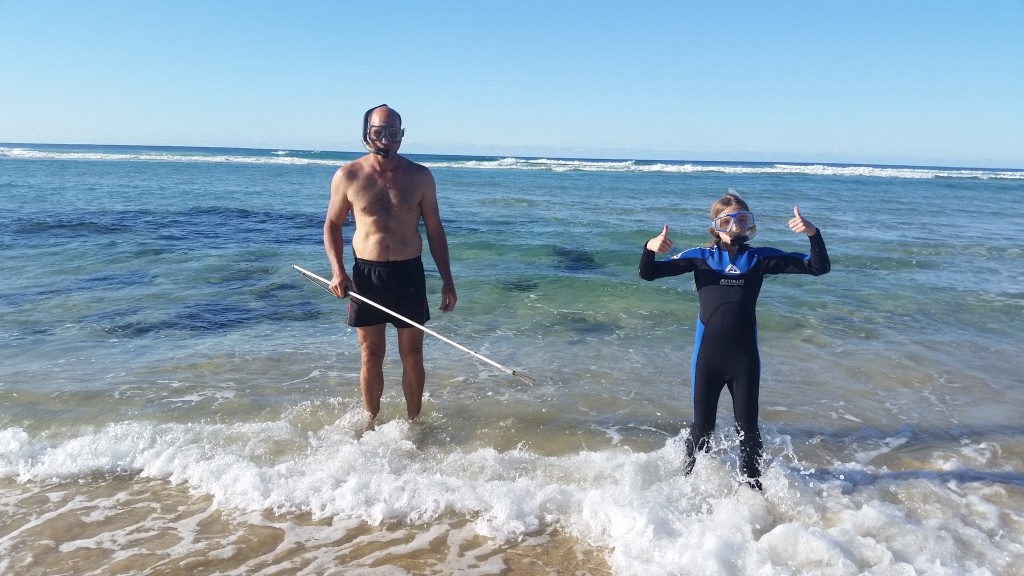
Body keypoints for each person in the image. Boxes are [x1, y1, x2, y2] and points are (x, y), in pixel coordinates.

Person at [638, 192, 830, 489]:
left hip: (744, 359)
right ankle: (686, 489)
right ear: (715, 225)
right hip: (708, 359)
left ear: (748, 224)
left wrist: (812, 234)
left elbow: (818, 267)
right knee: (702, 428)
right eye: (725, 220)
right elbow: (648, 274)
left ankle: (753, 493)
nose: (734, 225)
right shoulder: (699, 257)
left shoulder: (760, 257)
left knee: (749, 429)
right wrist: (649, 248)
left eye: (741, 219)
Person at [323, 104, 457, 424]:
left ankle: (414, 424)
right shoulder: (348, 176)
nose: (386, 139)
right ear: (366, 134)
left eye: (393, 133)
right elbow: (332, 224)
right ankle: (371, 422)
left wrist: (448, 282)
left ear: (402, 135)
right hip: (366, 277)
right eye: (379, 132)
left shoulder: (420, 176)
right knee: (371, 355)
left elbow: (435, 231)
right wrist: (338, 271)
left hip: (408, 274)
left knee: (412, 356)